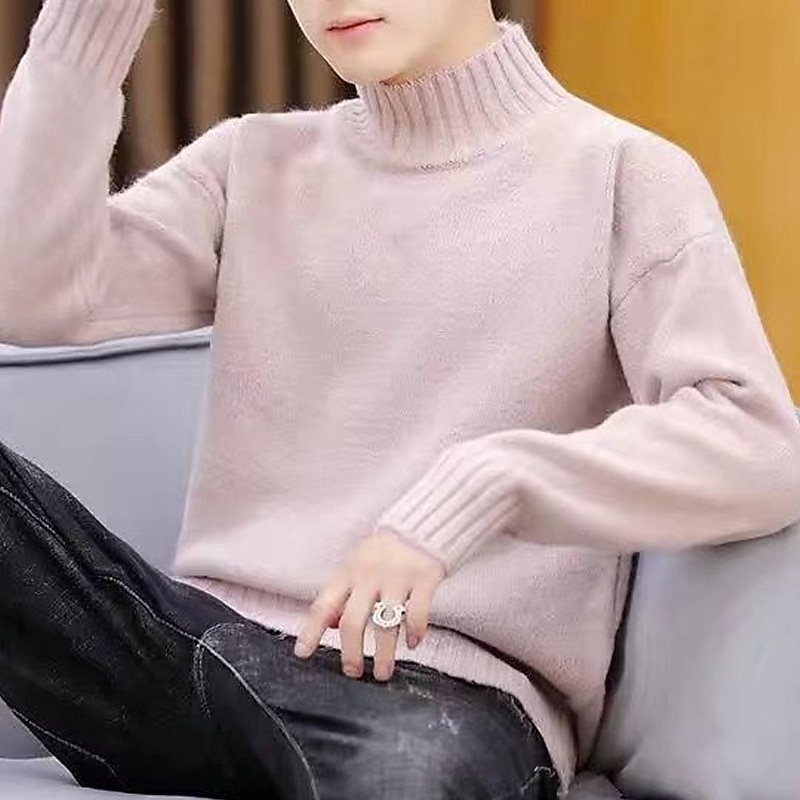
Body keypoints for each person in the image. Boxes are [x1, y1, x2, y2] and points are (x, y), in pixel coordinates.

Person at [0, 0, 798, 798]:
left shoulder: (623, 175)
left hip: (435, 698)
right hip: (190, 657)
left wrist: (486, 484)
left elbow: (760, 442)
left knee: (412, 779)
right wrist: (86, 28)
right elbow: (31, 295)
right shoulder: (252, 162)